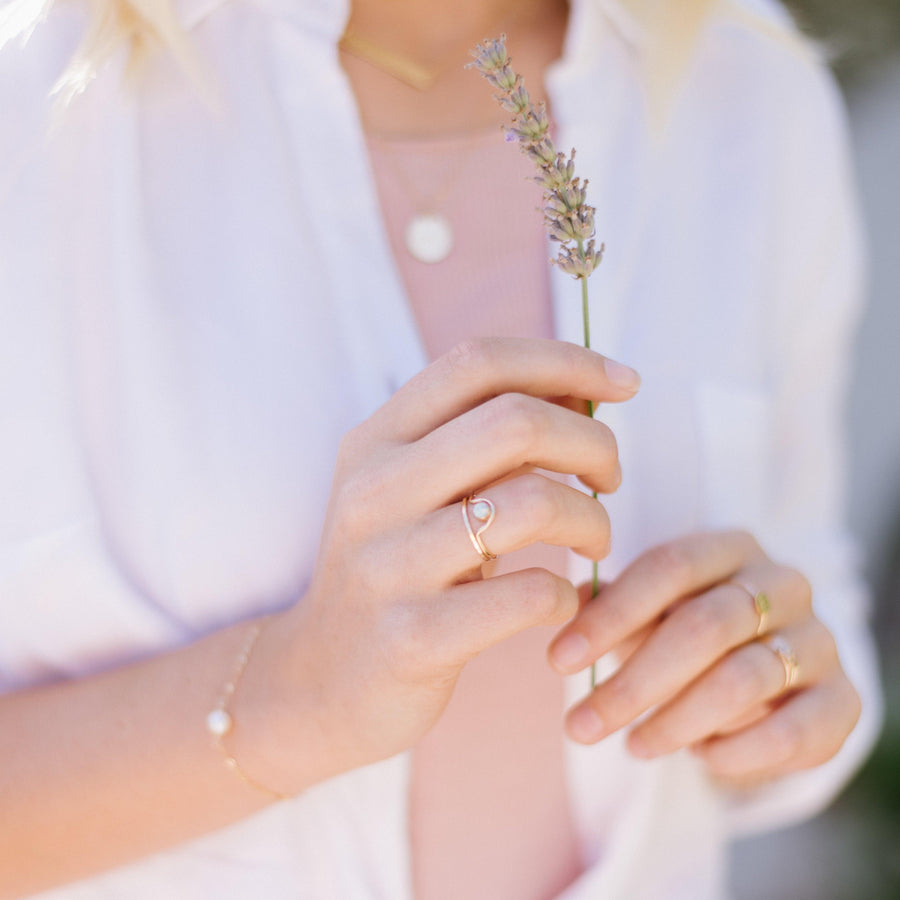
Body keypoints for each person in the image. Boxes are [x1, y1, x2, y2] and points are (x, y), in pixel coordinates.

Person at [0, 0, 884, 897]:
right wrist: (288, 698)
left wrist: (771, 695)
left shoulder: (744, 78)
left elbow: (810, 580)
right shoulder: (33, 89)